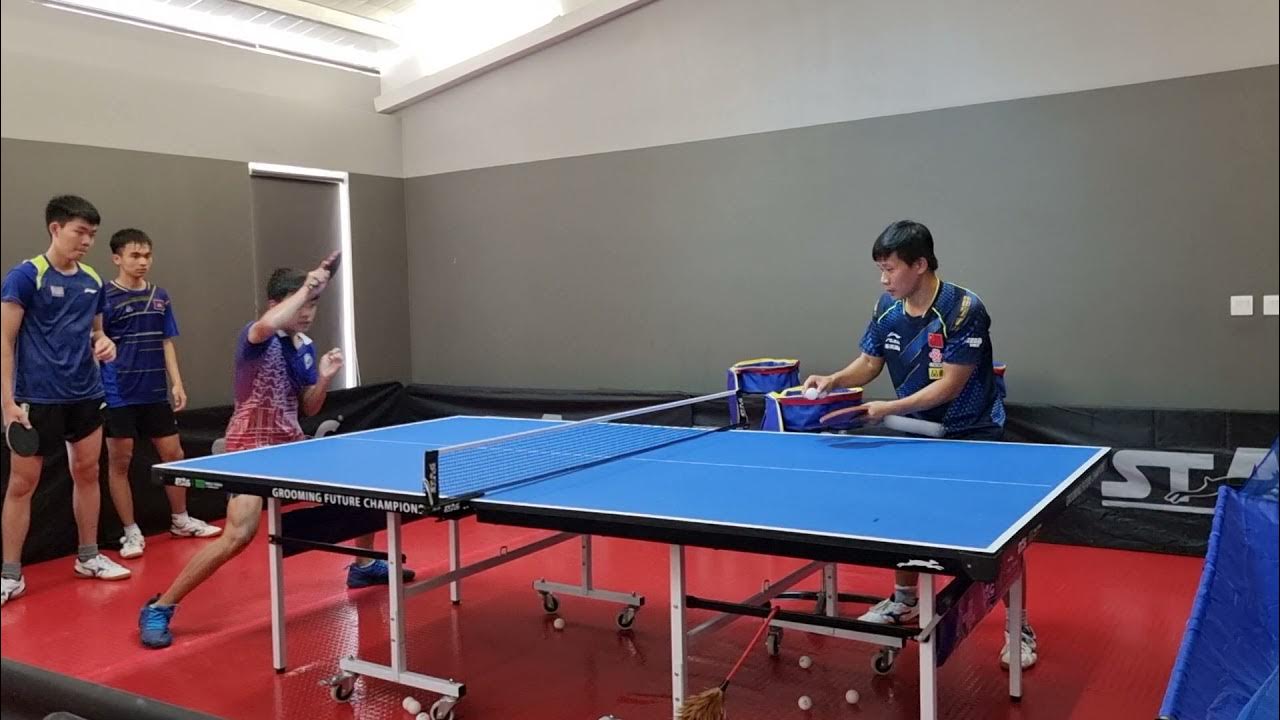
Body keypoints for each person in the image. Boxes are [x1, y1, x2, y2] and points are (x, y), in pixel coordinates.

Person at [138, 254, 413, 648]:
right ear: (277, 303)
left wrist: (323, 376)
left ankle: (364, 565)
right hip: (248, 448)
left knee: (364, 489)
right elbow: (269, 324)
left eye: (314, 305)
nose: (307, 313)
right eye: (302, 305)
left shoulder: (304, 347)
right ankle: (160, 606)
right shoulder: (255, 336)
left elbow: (310, 406)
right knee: (238, 535)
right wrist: (308, 287)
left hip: (290, 445)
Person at [802, 219, 1035, 668]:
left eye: (890, 269)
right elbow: (870, 363)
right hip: (914, 432)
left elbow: (950, 385)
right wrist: (835, 378)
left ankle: (1018, 625)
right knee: (902, 518)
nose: (884, 278)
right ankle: (903, 600)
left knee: (997, 535)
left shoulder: (964, 309)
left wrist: (887, 408)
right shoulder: (887, 308)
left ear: (920, 264)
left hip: (973, 433)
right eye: (881, 270)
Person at [2, 195, 132, 606]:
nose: (87, 241)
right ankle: (10, 576)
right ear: (55, 229)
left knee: (88, 473)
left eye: (92, 234)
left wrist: (104, 342)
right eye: (80, 232)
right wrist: (6, 403)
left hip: (85, 395)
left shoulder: (92, 280)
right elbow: (4, 341)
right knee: (22, 486)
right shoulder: (26, 276)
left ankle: (88, 557)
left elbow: (96, 333)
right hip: (36, 398)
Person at [102, 228, 221, 560]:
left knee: (174, 455)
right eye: (134, 255)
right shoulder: (104, 297)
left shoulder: (160, 296)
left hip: (155, 393)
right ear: (117, 258)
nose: (142, 262)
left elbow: (166, 341)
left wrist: (177, 383)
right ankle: (130, 531)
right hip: (118, 394)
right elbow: (94, 342)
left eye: (147, 255)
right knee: (120, 463)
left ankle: (181, 520)